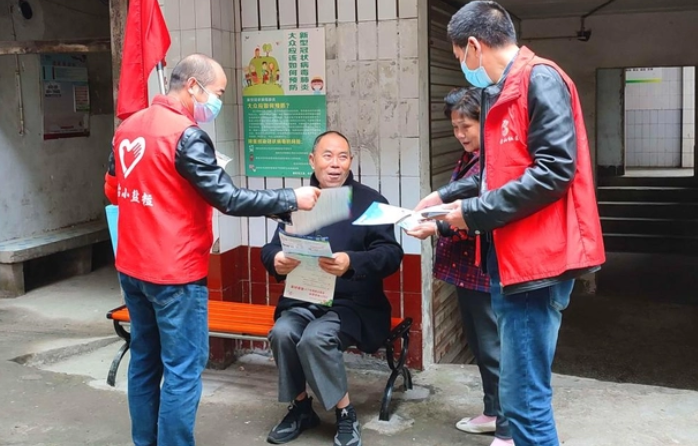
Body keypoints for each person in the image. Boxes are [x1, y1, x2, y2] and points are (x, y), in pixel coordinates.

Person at [104, 53, 320, 446]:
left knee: (144, 361)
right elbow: (228, 198)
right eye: (217, 92)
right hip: (175, 272)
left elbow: (112, 189)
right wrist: (292, 197)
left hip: (132, 267)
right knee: (183, 370)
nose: (217, 101)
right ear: (193, 86)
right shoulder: (186, 135)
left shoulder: (127, 128)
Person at [415, 0, 605, 446]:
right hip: (511, 260)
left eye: (459, 57)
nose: (462, 67)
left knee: (524, 400)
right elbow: (493, 173)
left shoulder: (539, 80)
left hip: (536, 265)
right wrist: (445, 198)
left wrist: (469, 213)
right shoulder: (499, 90)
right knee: (518, 395)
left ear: (474, 47)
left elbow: (554, 171)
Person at [261, 131, 403, 446]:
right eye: (327, 156)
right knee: (282, 333)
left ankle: (345, 412)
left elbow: (392, 254)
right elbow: (271, 248)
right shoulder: (299, 201)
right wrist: (277, 260)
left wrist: (352, 261)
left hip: (354, 304)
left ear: (350, 161)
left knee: (316, 338)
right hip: (303, 299)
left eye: (342, 156)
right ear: (312, 161)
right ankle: (300, 408)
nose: (335, 164)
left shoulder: (370, 202)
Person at [406, 87, 511, 446]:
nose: (461, 134)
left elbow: (481, 209)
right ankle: (493, 412)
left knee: (493, 349)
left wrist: (437, 223)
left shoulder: (497, 160)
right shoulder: (470, 157)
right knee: (481, 346)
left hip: (484, 270)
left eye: (466, 126)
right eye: (455, 128)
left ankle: (508, 429)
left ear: (487, 122)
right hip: (467, 270)